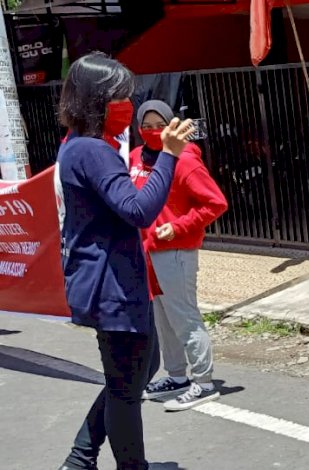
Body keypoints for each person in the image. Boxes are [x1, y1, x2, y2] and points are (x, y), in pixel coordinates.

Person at [56, 52, 195, 470]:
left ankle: (80, 459)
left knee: (138, 370)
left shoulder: (78, 147)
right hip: (111, 284)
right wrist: (170, 154)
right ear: (95, 101)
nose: (129, 106)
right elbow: (138, 210)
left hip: (112, 280)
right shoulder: (92, 152)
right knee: (126, 388)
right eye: (120, 97)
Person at [130, 100, 229, 410]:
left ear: (173, 124)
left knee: (184, 318)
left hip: (174, 252)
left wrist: (178, 227)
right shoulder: (135, 158)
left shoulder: (184, 161)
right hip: (147, 252)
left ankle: (203, 382)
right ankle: (176, 376)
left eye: (160, 124)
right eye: (146, 125)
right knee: (164, 319)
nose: (153, 131)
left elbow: (215, 203)